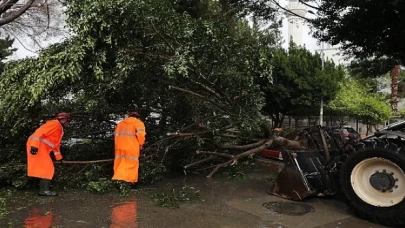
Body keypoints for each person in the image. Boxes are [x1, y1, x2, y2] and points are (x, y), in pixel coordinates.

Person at [26, 112, 71, 196]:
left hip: (40, 148)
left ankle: (43, 190)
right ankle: (44, 191)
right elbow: (39, 133)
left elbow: (55, 145)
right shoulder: (55, 124)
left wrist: (59, 157)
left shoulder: (58, 127)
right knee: (48, 168)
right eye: (68, 122)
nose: (68, 124)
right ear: (64, 120)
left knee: (45, 167)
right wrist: (34, 146)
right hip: (37, 147)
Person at [112, 111, 146, 189]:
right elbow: (141, 135)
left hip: (119, 147)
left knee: (120, 164)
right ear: (137, 117)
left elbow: (116, 136)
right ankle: (132, 184)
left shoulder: (120, 124)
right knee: (131, 165)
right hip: (131, 147)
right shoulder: (138, 123)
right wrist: (141, 145)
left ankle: (118, 182)